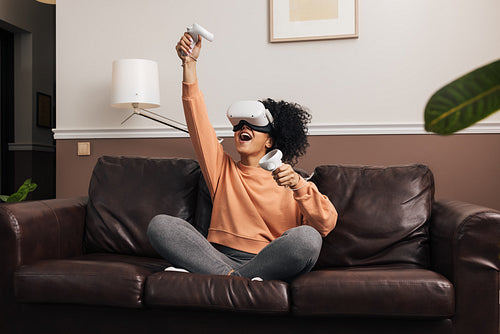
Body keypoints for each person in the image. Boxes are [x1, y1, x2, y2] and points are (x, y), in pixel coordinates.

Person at [147, 32, 337, 282]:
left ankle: (226, 279)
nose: (242, 129)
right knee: (160, 225)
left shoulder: (291, 180)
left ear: (270, 139)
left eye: (252, 126)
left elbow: (326, 224)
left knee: (308, 238)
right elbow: (197, 122)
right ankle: (238, 279)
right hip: (215, 256)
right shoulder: (221, 169)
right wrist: (189, 64)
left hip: (267, 261)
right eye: (238, 126)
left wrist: (299, 185)